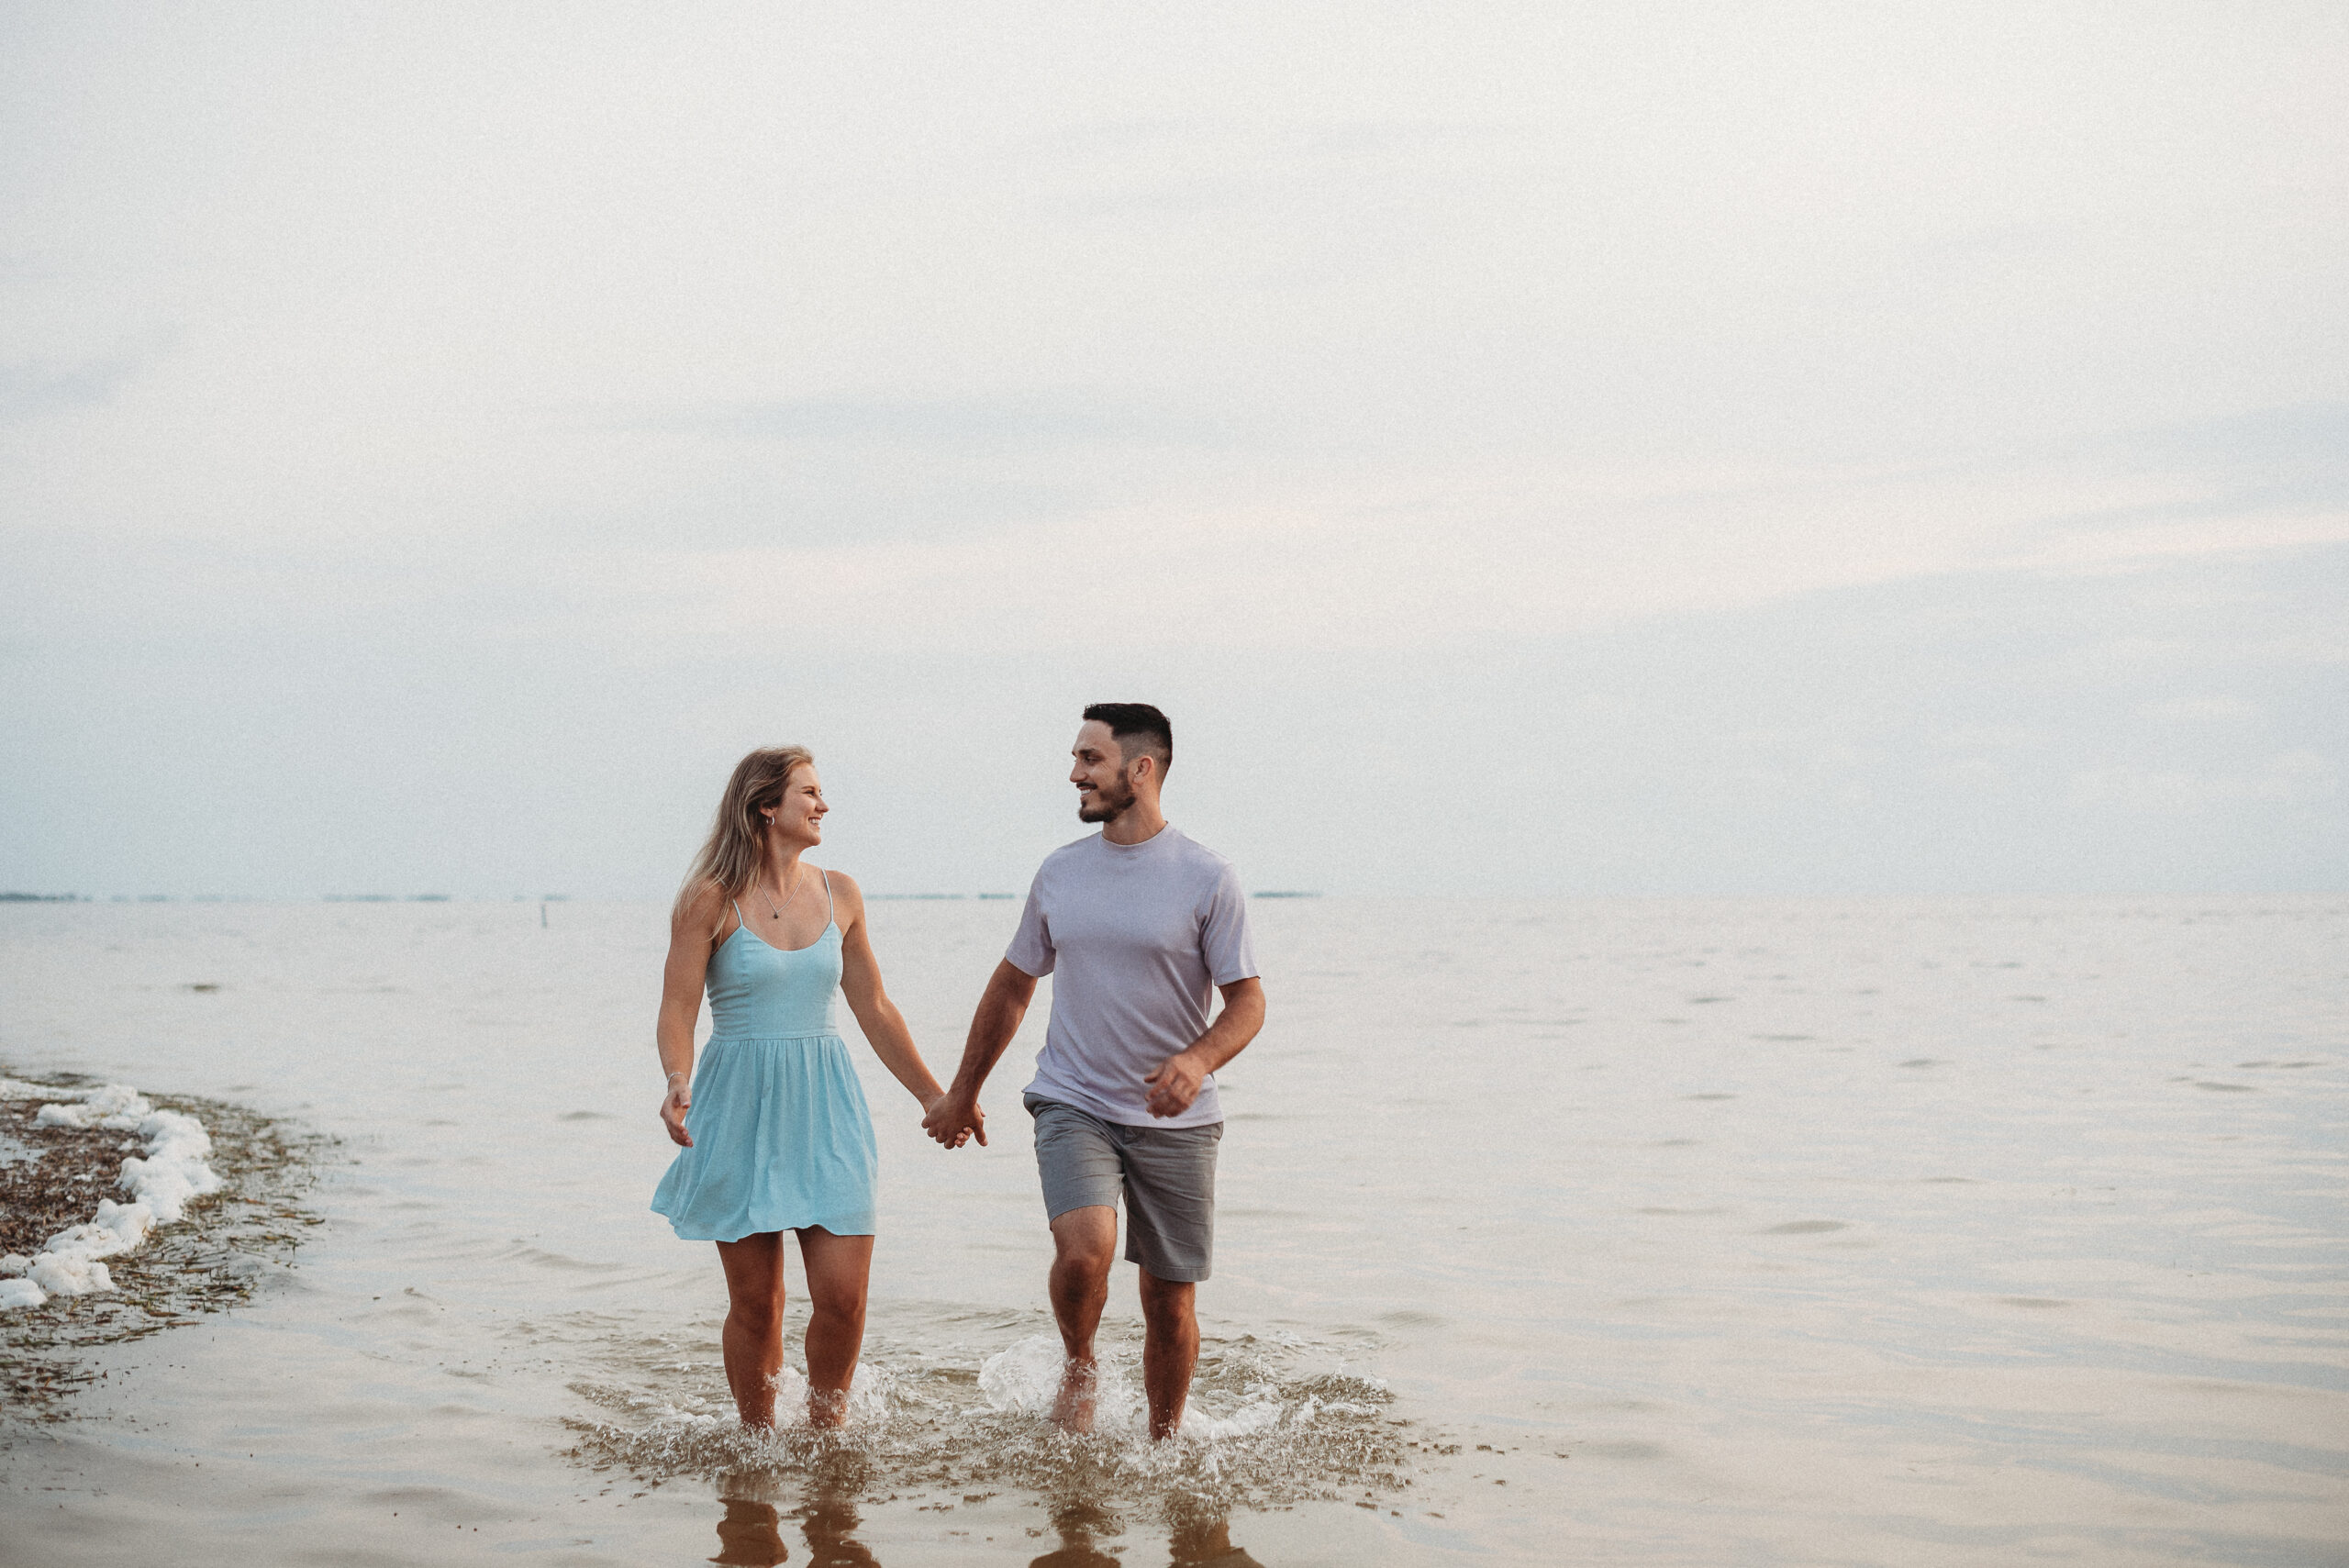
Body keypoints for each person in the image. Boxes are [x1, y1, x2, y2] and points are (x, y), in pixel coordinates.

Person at [923, 703, 1266, 1440]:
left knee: (1169, 1302)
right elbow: (1014, 985)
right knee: (1085, 1257)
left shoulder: (1208, 877)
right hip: (1072, 1099)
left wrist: (1197, 1058)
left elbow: (1248, 1001)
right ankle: (1080, 1363)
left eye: (1090, 759)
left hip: (1178, 1116)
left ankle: (1164, 1442)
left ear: (1140, 770)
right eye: (1077, 758)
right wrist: (962, 1091)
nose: (1074, 773)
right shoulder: (1061, 872)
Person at [651, 745, 959, 1429]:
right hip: (736, 1106)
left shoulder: (840, 892)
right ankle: (757, 1441)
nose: (823, 805)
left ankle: (827, 1432)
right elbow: (677, 1008)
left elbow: (874, 1007)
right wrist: (677, 1077)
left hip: (827, 1107)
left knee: (844, 1297)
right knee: (759, 1303)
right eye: (809, 793)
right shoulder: (709, 898)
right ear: (766, 806)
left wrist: (934, 1096)